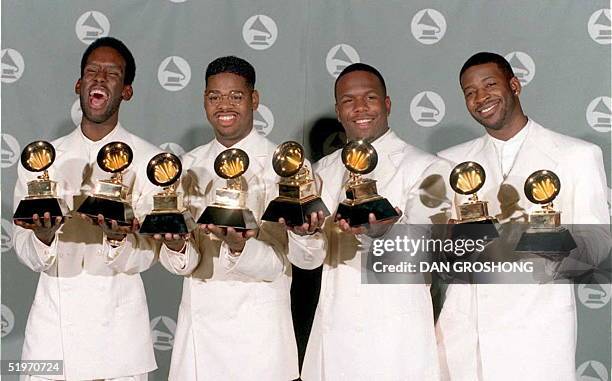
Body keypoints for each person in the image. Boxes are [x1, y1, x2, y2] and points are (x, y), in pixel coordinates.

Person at [435, 52, 609, 381]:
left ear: (514, 85)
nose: (480, 98)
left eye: (489, 85)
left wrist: (562, 247)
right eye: (469, 92)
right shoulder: (450, 162)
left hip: (536, 337)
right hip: (464, 337)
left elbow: (599, 246)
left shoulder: (577, 156)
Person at [285, 63, 451, 380]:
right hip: (334, 336)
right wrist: (303, 234)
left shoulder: (427, 168)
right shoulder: (321, 171)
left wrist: (383, 233)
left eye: (370, 98)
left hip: (397, 341)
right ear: (338, 111)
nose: (360, 107)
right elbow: (308, 261)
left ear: (387, 104)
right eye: (349, 100)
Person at [12, 37, 159, 380]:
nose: (99, 77)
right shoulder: (41, 159)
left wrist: (118, 240)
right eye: (92, 70)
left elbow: (150, 253)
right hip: (51, 339)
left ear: (126, 90)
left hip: (120, 344)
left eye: (112, 73)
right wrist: (44, 239)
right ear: (79, 84)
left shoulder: (151, 162)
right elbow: (23, 245)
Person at [158, 56, 299, 380]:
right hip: (201, 335)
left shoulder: (284, 166)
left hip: (260, 337)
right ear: (204, 101)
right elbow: (183, 263)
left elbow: (281, 262)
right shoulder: (186, 166)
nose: (224, 105)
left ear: (254, 99)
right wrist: (177, 247)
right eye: (214, 96)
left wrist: (239, 247)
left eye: (235, 96)